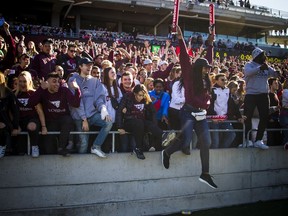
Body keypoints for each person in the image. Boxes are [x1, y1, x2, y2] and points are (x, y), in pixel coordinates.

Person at [161, 25, 218, 189]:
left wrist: (211, 43)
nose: (208, 69)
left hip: (201, 115)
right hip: (187, 113)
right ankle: (167, 152)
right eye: (206, 67)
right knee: (185, 141)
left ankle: (205, 173)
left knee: (206, 142)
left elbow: (209, 58)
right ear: (199, 68)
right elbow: (185, 57)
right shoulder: (188, 75)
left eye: (209, 67)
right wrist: (180, 38)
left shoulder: (207, 78)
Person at [68, 57, 113, 156]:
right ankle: (80, 167)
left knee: (108, 122)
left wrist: (103, 109)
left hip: (92, 115)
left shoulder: (95, 81)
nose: (89, 67)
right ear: (80, 66)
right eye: (87, 65)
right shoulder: (73, 80)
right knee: (84, 143)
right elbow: (76, 103)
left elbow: (99, 99)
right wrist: (84, 119)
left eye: (91, 65)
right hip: (80, 118)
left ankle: (96, 146)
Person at [28, 72, 81, 156]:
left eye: (58, 81)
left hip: (62, 120)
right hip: (49, 122)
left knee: (68, 120)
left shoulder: (64, 90)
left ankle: (61, 148)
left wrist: (76, 89)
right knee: (49, 151)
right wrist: (40, 89)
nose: (57, 84)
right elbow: (30, 103)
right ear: (47, 83)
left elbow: (75, 104)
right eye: (54, 81)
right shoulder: (43, 91)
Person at [116, 84, 172, 159]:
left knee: (149, 124)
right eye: (139, 95)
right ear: (135, 93)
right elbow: (119, 111)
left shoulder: (145, 98)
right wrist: (119, 127)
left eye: (142, 95)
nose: (141, 97)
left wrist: (153, 125)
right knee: (139, 122)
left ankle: (164, 137)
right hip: (129, 121)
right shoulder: (127, 97)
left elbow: (153, 111)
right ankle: (138, 148)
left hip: (141, 122)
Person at [243, 47, 278, 149]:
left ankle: (259, 140)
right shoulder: (249, 65)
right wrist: (259, 68)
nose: (265, 57)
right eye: (262, 55)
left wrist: (276, 72)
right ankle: (248, 140)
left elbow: (275, 74)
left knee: (264, 117)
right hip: (251, 94)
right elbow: (248, 73)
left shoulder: (266, 66)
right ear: (257, 56)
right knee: (247, 117)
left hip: (263, 95)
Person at [14, 71, 47, 157]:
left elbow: (40, 111)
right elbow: (11, 112)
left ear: (29, 82)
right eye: (20, 81)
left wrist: (43, 126)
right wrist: (14, 125)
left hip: (32, 119)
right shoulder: (15, 94)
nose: (22, 84)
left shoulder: (33, 93)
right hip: (19, 120)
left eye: (24, 81)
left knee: (32, 126)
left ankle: (35, 146)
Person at [0, 72, 20, 158]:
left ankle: (2, 146)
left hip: (5, 122)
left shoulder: (8, 93)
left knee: (2, 127)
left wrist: (15, 126)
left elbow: (15, 111)